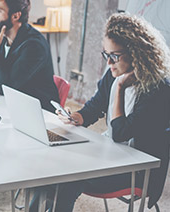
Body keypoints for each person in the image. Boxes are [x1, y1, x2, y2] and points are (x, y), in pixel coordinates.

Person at [29, 13, 170, 212]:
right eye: (106, 54)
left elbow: (121, 132)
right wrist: (79, 117)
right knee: (52, 165)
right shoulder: (115, 73)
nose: (109, 63)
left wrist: (120, 88)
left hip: (136, 168)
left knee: (69, 177)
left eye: (114, 56)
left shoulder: (158, 89)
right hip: (110, 153)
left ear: (136, 53)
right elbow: (96, 104)